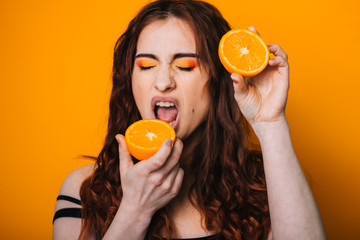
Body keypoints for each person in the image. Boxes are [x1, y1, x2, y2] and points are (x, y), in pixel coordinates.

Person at [53, 0, 326, 239]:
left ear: (219, 81)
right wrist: (134, 210)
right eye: (146, 66)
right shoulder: (85, 190)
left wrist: (271, 122)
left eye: (185, 66)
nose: (162, 82)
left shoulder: (266, 190)